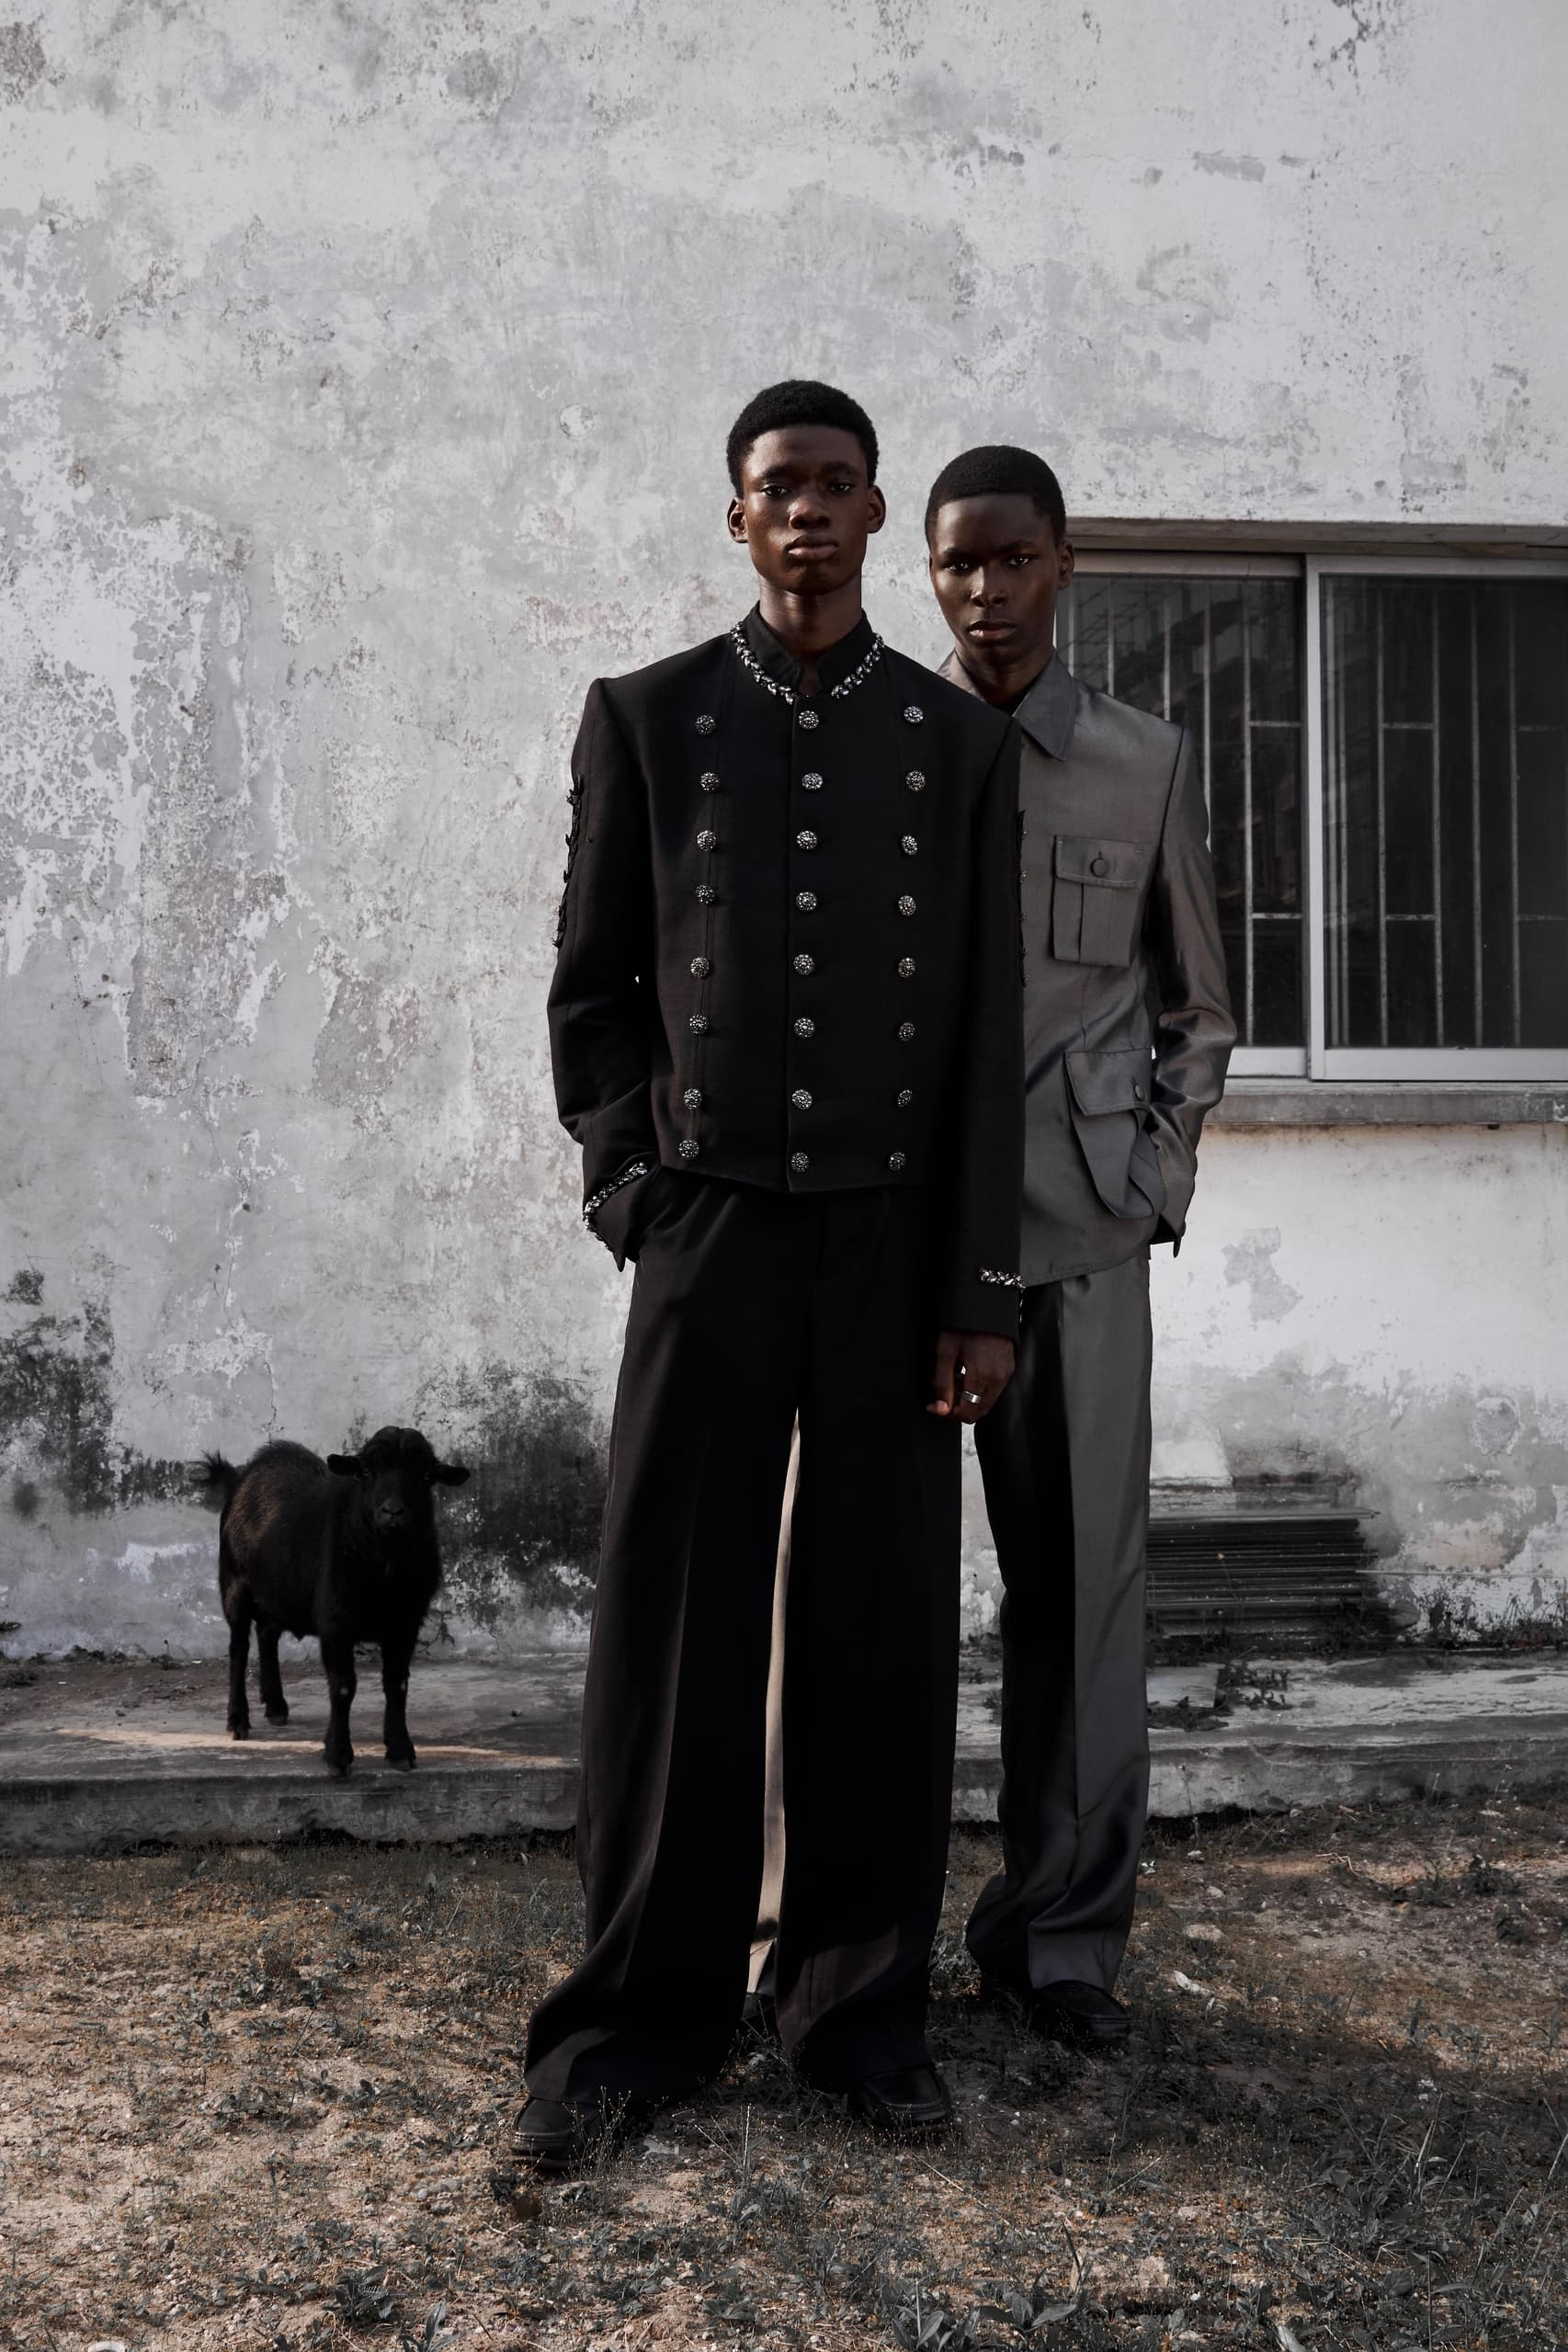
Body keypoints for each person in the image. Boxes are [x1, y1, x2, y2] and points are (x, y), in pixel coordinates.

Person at [516, 382, 1025, 2170]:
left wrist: (978, 1288)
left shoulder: (955, 744)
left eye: (834, 485)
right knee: (673, 1623)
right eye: (775, 487)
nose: (805, 511)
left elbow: (986, 1037)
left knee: (878, 1628)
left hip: (892, 1245)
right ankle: (636, 2021)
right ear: (735, 518)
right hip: (708, 1235)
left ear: (876, 514)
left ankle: (856, 2012)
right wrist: (629, 1189)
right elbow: (592, 993)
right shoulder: (646, 718)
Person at [925, 444, 1234, 2049]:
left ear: (1062, 565)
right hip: (902, 1249)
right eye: (958, 563)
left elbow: (1199, 1006)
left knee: (1079, 1604)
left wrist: (1152, 1178)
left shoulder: (1141, 760)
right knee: (851, 1600)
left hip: (1082, 1239)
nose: (986, 592)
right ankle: (827, 1937)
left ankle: (1058, 1946)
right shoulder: (885, 753)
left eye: (1013, 559)